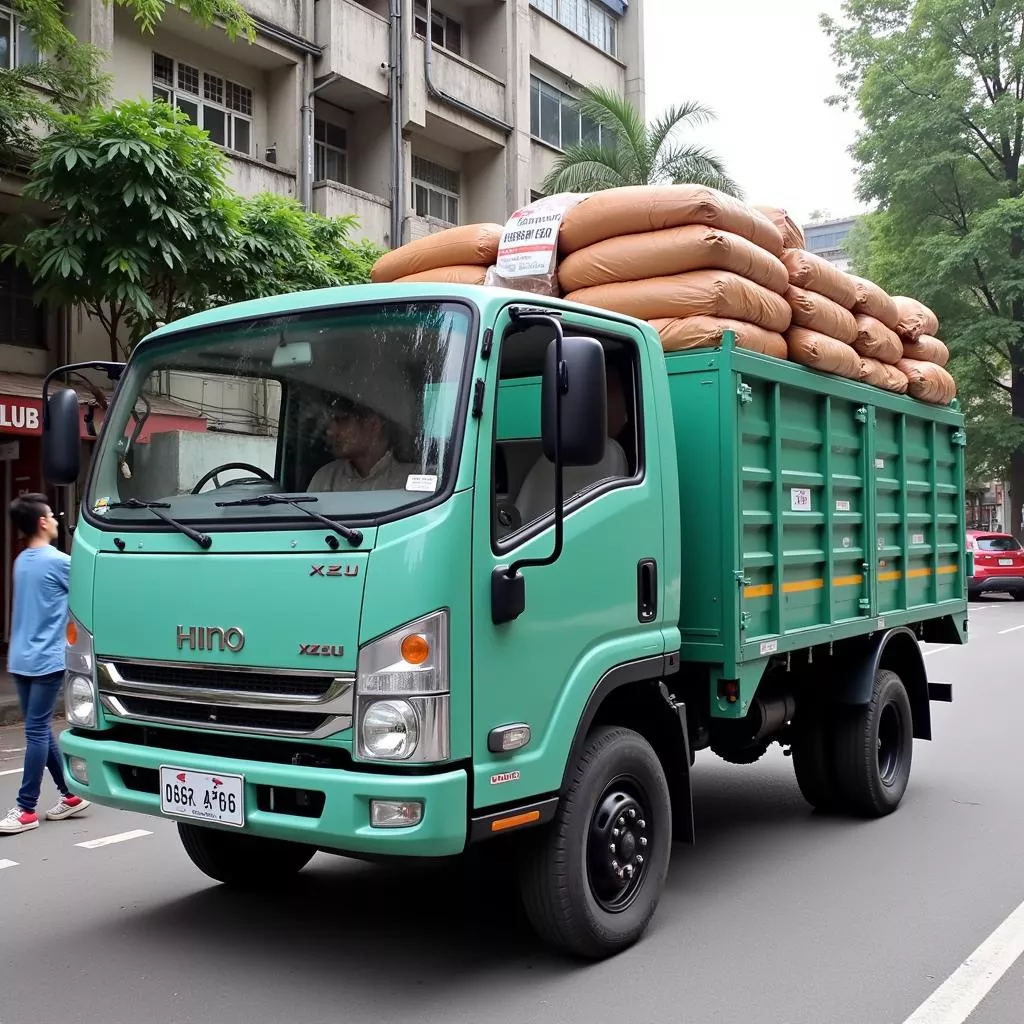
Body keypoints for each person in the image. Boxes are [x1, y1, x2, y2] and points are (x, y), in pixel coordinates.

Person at [0, 493, 90, 835]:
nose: (55, 519)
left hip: (23, 659)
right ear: (41, 522)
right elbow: (87, 595)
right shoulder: (59, 562)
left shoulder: (22, 559)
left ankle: (27, 807)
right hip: (45, 659)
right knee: (38, 730)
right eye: (52, 514)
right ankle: (63, 797)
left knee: (35, 729)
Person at [308, 396, 416, 492]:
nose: (330, 431)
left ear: (374, 425)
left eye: (342, 419)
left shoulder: (415, 481)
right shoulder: (325, 479)